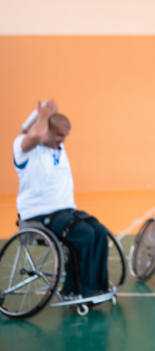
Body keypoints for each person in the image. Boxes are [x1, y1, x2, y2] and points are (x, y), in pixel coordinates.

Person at [13, 100, 110, 299]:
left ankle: (96, 287)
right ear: (44, 130)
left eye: (64, 136)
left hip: (65, 210)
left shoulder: (57, 148)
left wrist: (47, 113)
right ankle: (75, 290)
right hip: (39, 214)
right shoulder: (24, 150)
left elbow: (44, 129)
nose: (62, 140)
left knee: (99, 232)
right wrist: (42, 115)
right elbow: (32, 133)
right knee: (83, 234)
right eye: (58, 135)